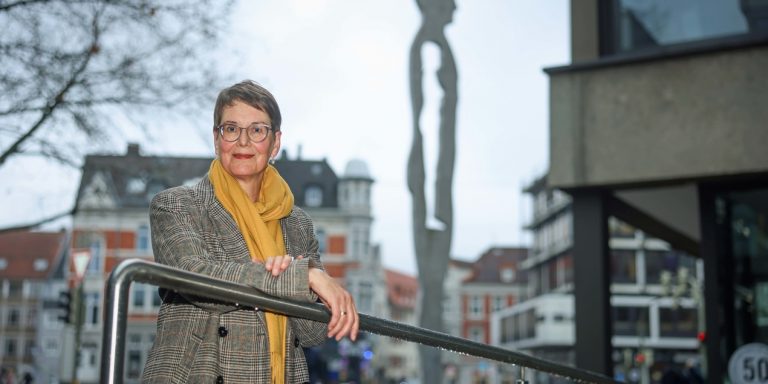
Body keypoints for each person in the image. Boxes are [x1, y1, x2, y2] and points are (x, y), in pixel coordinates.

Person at [141, 80, 359, 383]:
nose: (243, 141)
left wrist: (301, 283)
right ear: (217, 140)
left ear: (275, 142)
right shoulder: (176, 204)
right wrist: (302, 276)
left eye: (257, 130)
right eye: (231, 129)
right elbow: (196, 280)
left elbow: (312, 333)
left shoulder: (298, 223)